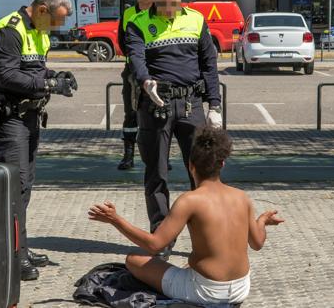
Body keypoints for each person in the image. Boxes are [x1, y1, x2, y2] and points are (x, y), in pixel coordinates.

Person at [89, 127, 284, 306]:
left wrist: (115, 219)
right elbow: (257, 243)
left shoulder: (189, 200)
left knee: (134, 259)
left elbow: (155, 244)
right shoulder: (242, 197)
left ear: (191, 166)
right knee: (189, 263)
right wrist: (262, 221)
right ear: (222, 164)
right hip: (241, 289)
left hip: (207, 291)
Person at [124, 0, 222, 259]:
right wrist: (145, 82)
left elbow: (209, 65)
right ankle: (161, 236)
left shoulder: (196, 20)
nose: (168, 8)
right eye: (162, 2)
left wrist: (214, 105)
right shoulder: (138, 23)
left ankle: (204, 234)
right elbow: (137, 59)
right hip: (156, 105)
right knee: (156, 172)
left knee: (203, 172)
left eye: (173, 2)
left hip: (191, 104)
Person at [0, 0, 78, 281]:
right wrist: (49, 86)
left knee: (23, 190)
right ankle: (13, 256)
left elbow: (34, 70)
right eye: (56, 20)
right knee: (14, 191)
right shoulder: (8, 31)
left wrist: (54, 76)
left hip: (30, 118)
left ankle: (19, 247)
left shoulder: (38, 32)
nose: (57, 27)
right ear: (41, 10)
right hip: (11, 120)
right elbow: (8, 77)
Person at [116, 0, 154, 170]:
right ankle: (128, 155)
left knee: (157, 114)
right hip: (132, 70)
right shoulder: (129, 13)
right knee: (130, 113)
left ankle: (158, 156)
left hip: (156, 68)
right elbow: (122, 41)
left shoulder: (159, 12)